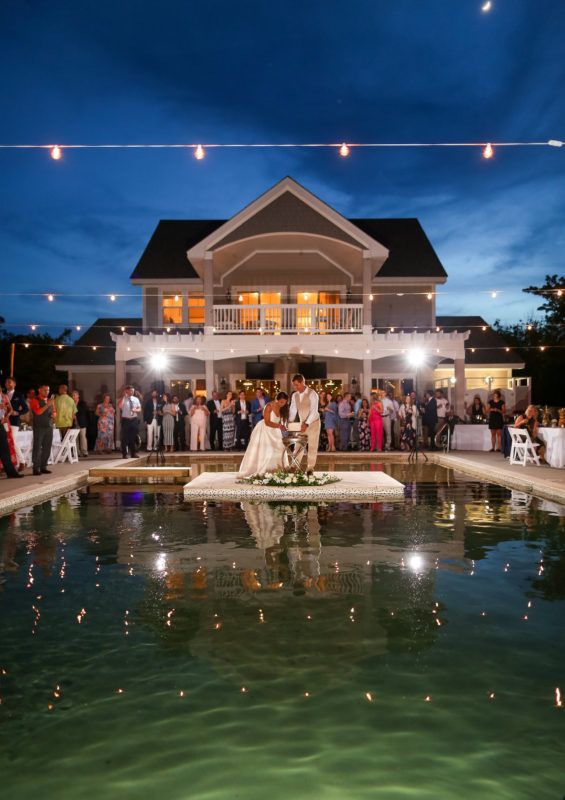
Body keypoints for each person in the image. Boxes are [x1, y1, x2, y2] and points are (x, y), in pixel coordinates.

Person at [237, 392, 288, 478]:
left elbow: (282, 421)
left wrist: (284, 426)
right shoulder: (269, 406)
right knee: (267, 450)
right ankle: (265, 469)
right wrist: (279, 426)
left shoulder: (283, 408)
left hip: (276, 430)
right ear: (277, 399)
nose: (283, 404)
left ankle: (277, 469)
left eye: (284, 402)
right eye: (281, 402)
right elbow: (267, 422)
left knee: (279, 448)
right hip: (266, 430)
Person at [288, 375, 321, 472]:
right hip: (302, 424)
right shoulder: (295, 395)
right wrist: (289, 421)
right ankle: (294, 466)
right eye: (294, 385)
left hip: (313, 423)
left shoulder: (312, 394)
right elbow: (293, 409)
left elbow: (314, 411)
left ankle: (310, 468)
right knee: (298, 444)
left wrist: (306, 424)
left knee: (312, 446)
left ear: (303, 382)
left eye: (297, 385)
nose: (295, 387)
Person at [29, 385, 56, 475]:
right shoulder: (34, 400)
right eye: (45, 390)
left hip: (49, 426)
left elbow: (54, 411)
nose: (47, 392)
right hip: (39, 427)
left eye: (48, 390)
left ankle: (43, 466)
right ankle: (36, 468)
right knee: (37, 447)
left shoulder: (50, 400)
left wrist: (53, 414)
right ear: (39, 390)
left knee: (47, 447)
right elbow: (38, 412)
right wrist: (47, 405)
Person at [4, 376, 28, 469]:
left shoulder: (19, 395)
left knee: (13, 441)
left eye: (10, 382)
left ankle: (22, 461)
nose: (7, 384)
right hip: (4, 421)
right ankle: (6, 464)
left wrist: (17, 412)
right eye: (6, 382)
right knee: (4, 443)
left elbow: (26, 408)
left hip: (14, 422)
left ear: (14, 384)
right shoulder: (2, 395)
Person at [0, 391, 22, 478]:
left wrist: (6, 414)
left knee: (5, 448)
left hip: (1, 423)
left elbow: (9, 408)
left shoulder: (3, 396)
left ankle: (11, 472)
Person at [118, 386, 141, 458]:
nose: (132, 392)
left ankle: (133, 453)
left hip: (134, 419)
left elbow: (139, 408)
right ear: (126, 391)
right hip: (126, 420)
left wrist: (136, 410)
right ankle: (124, 454)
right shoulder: (123, 399)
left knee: (133, 437)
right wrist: (123, 397)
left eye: (133, 391)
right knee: (124, 437)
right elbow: (120, 406)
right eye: (130, 391)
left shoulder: (136, 399)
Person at [71, 390, 90, 457]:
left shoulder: (82, 403)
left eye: (74, 395)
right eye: (72, 395)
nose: (73, 397)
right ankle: (77, 452)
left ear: (78, 396)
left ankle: (84, 452)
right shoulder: (71, 403)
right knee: (75, 439)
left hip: (82, 423)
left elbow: (82, 411)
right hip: (74, 423)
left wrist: (75, 405)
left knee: (83, 437)